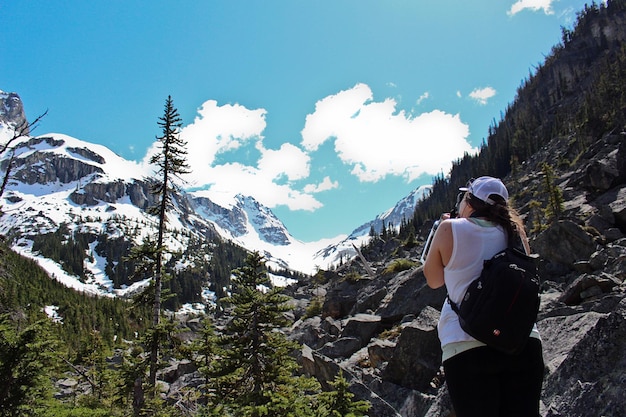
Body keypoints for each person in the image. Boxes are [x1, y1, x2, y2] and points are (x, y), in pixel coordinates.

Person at [423, 176, 544, 417]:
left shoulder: (450, 228)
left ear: (469, 201)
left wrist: (440, 231)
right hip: (521, 342)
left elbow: (433, 280)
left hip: (466, 345)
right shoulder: (515, 231)